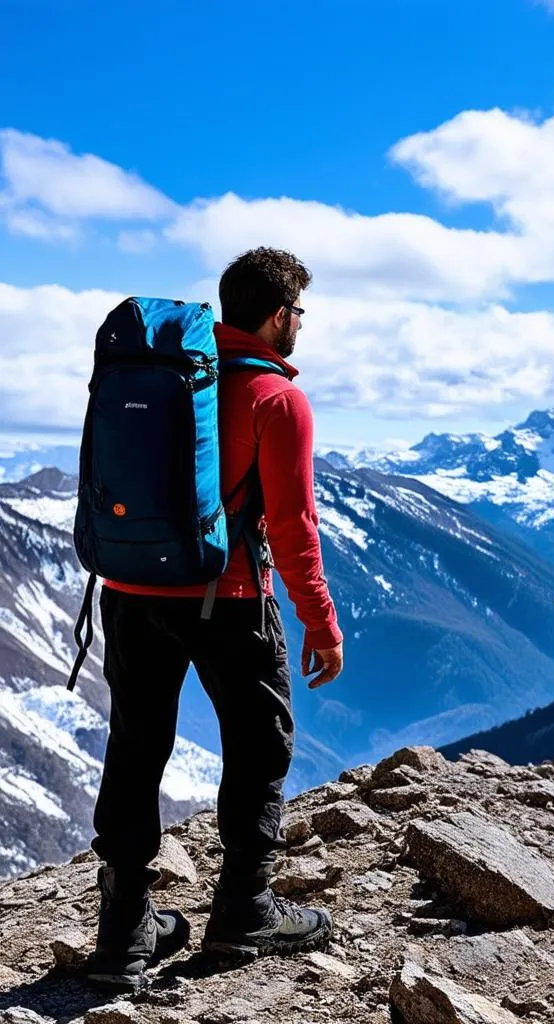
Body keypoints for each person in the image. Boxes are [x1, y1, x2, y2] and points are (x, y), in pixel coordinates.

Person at [85, 247, 345, 993]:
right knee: (260, 750)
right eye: (299, 313)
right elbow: (294, 529)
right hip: (226, 600)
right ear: (276, 316)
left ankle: (124, 930)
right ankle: (243, 910)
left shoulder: (165, 378)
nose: (300, 326)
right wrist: (320, 624)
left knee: (136, 747)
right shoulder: (277, 398)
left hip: (131, 591)